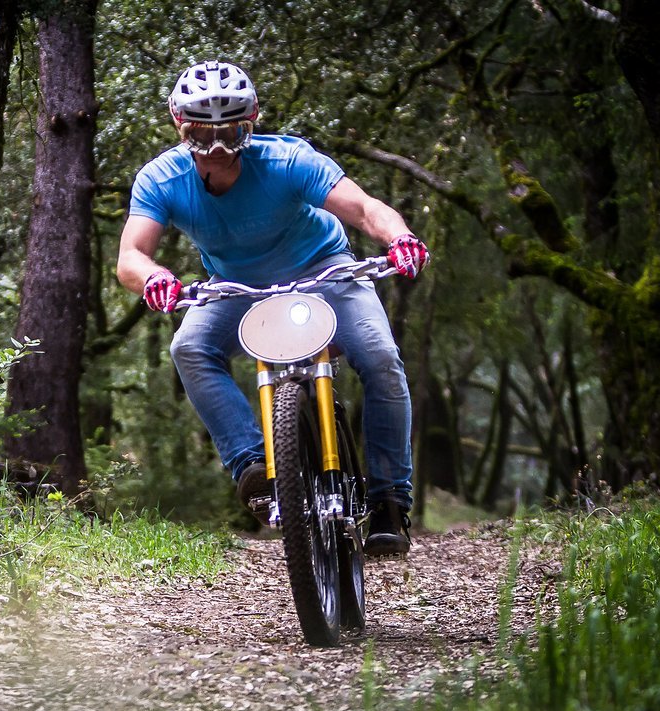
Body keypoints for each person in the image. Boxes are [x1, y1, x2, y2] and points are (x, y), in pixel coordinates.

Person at [116, 60, 430, 557]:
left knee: (380, 355)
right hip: (235, 287)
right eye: (202, 131)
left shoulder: (288, 161)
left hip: (325, 271)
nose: (217, 146)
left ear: (254, 118)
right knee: (189, 346)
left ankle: (389, 498)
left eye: (232, 129)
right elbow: (131, 255)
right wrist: (155, 278)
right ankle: (253, 468)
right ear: (179, 121)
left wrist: (400, 237)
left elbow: (365, 207)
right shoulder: (161, 179)